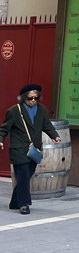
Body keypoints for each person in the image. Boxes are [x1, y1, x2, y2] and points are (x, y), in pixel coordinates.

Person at [0, 85, 61, 215]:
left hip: (34, 149)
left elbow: (47, 126)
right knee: (22, 176)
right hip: (19, 149)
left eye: (36, 98)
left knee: (26, 176)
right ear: (23, 98)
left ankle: (15, 202)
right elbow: (4, 128)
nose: (33, 101)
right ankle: (24, 204)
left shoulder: (42, 110)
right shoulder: (15, 111)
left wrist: (55, 136)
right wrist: (1, 139)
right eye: (30, 98)